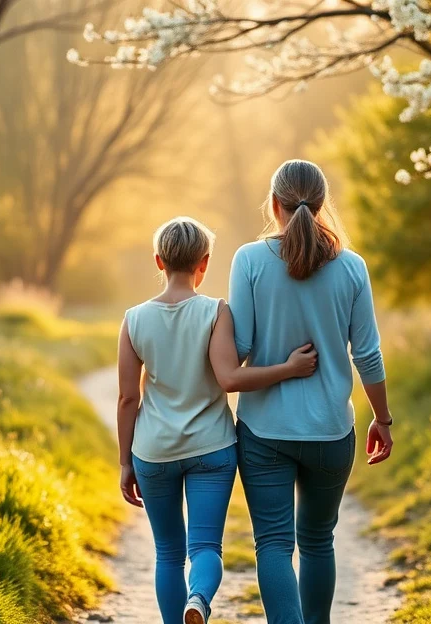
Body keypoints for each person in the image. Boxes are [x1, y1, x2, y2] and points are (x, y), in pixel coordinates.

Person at [116, 216, 318, 624]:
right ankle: (199, 600)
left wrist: (125, 462)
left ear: (159, 261)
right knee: (205, 547)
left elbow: (126, 398)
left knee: (168, 553)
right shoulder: (215, 312)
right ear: (204, 263)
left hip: (153, 452)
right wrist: (289, 368)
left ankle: (181, 614)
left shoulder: (134, 319)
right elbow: (230, 379)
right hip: (212, 448)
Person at [228, 159, 395, 624]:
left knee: (274, 544)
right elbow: (368, 356)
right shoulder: (353, 267)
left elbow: (238, 349)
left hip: (264, 432)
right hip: (330, 431)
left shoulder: (249, 260)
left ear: (275, 204)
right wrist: (383, 419)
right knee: (319, 540)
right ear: (321, 205)